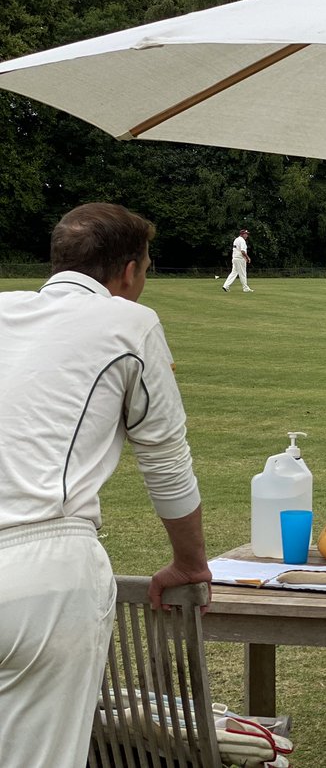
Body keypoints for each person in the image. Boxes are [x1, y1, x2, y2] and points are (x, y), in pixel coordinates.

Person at [0, 203, 211, 768]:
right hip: (41, 570)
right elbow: (165, 457)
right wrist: (190, 563)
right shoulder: (129, 321)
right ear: (128, 272)